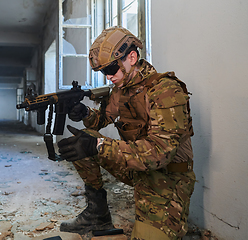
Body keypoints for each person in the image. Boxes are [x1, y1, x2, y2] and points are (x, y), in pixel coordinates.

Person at [57, 26, 196, 240]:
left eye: (111, 69)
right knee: (84, 140)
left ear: (132, 57)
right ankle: (98, 214)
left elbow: (160, 153)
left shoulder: (165, 90)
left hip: (168, 178)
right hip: (138, 169)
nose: (109, 76)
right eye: (104, 72)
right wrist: (84, 112)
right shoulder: (121, 90)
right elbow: (101, 120)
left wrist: (99, 146)